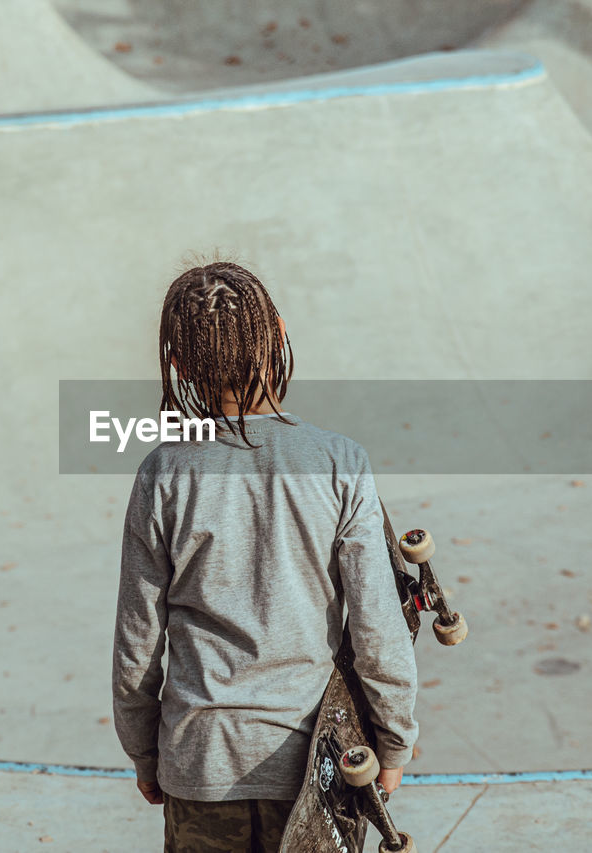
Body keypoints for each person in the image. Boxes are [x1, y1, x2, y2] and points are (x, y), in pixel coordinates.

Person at [112, 260, 418, 852]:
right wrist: (394, 739)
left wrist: (144, 751)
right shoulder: (338, 463)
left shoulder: (163, 474)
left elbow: (137, 642)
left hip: (199, 760)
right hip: (314, 769)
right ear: (278, 332)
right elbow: (379, 625)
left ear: (176, 362)